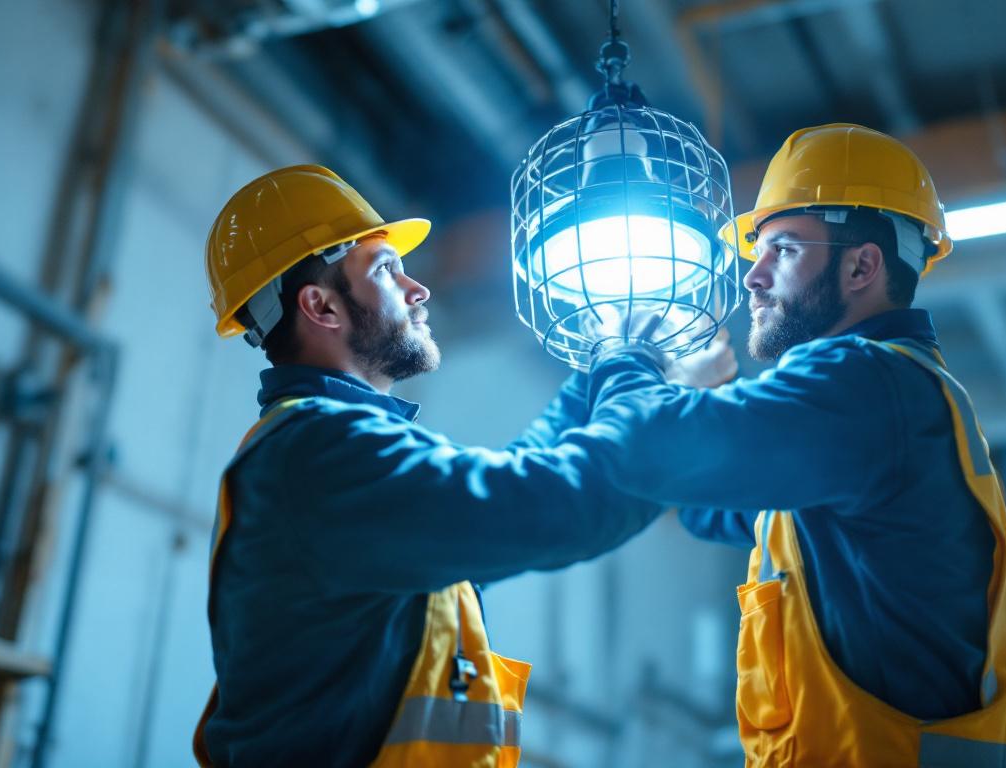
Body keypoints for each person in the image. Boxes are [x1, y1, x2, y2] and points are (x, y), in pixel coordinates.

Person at [191, 164, 696, 767]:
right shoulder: (322, 452)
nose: (418, 288)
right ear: (321, 306)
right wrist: (629, 366)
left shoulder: (322, 451)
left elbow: (509, 485)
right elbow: (550, 510)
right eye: (384, 269)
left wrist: (598, 374)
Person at [581, 124, 1006, 766]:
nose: (752, 279)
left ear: (861, 265)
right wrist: (705, 400)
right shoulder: (888, 398)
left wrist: (625, 355)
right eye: (756, 253)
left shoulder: (864, 382)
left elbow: (646, 450)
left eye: (783, 250)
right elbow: (712, 504)